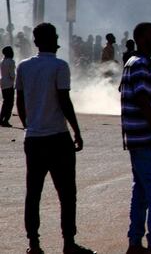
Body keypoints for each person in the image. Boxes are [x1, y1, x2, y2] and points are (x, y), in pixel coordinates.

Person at [16, 23, 95, 254]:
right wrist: (77, 131)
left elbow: (20, 101)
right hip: (58, 138)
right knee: (67, 194)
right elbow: (64, 100)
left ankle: (34, 244)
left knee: (33, 193)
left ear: (36, 42)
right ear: (54, 40)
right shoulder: (60, 66)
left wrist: (28, 125)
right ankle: (68, 243)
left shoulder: (24, 67)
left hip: (34, 139)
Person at [119, 22, 151, 254]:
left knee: (140, 192)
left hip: (137, 140)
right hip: (147, 140)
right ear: (141, 39)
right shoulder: (140, 64)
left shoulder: (135, 63)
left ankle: (135, 242)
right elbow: (142, 99)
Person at [1, 46, 16, 127]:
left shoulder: (2, 61)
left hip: (3, 83)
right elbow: (12, 75)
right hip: (9, 84)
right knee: (10, 103)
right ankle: (6, 120)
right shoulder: (11, 62)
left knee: (5, 102)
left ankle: (1, 118)